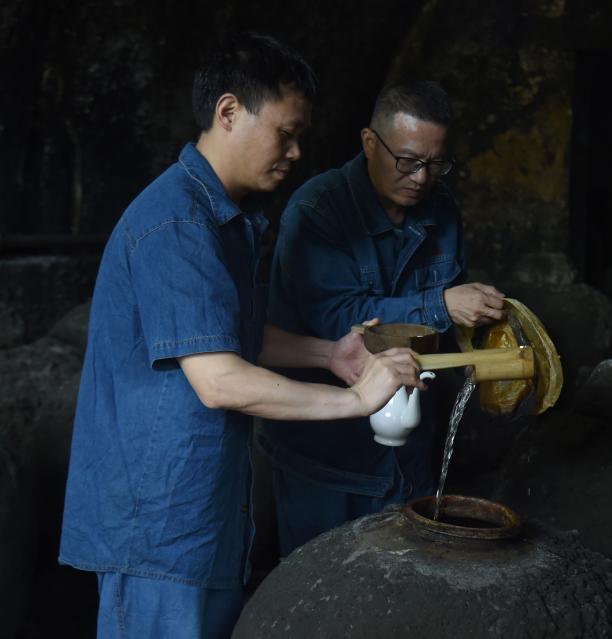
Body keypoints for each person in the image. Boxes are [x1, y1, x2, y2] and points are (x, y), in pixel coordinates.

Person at [58, 33, 423, 639]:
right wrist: (357, 400)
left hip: (204, 521)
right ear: (229, 113)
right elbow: (220, 379)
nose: (297, 151)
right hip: (157, 535)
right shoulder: (175, 223)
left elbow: (230, 338)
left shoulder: (224, 219)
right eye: (286, 132)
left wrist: (329, 353)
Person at [262, 80, 506, 555]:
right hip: (327, 458)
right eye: (408, 161)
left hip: (411, 452)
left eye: (435, 164)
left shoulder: (442, 209)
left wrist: (496, 353)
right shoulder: (317, 211)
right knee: (320, 599)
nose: (421, 177)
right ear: (370, 143)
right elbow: (336, 318)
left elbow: (452, 332)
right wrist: (441, 304)